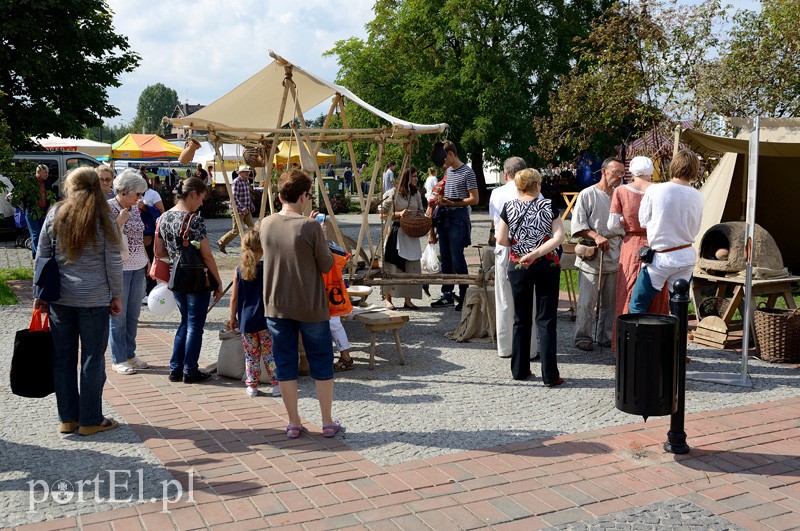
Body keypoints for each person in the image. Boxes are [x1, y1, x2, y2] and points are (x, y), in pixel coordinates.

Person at [34, 167, 123, 436]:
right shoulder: (104, 215)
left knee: (63, 359)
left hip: (60, 297)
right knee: (92, 359)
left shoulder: (56, 212)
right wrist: (116, 294)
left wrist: (39, 295)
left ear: (69, 186)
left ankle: (68, 418)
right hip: (94, 299)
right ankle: (91, 419)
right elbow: (113, 261)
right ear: (97, 186)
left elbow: (42, 256)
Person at [260, 169, 342, 439]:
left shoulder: (267, 223)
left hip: (277, 303)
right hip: (310, 304)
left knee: (285, 363)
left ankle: (293, 421)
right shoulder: (310, 227)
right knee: (321, 362)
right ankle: (327, 421)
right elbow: (326, 264)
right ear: (304, 195)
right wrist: (322, 235)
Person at [496, 169, 565, 385]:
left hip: (518, 265)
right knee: (546, 319)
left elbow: (500, 239)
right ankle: (550, 375)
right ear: (536, 184)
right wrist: (535, 253)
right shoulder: (547, 205)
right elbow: (559, 237)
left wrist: (519, 249)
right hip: (546, 263)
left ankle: (519, 370)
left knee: (521, 319)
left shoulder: (509, 206)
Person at [156, 177, 223, 383]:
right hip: (197, 278)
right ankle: (190, 370)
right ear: (193, 193)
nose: (201, 204)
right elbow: (207, 255)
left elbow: (158, 251)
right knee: (195, 324)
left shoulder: (164, 217)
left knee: (185, 321)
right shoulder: (195, 220)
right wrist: (218, 282)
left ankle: (175, 368)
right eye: (201, 198)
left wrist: (177, 257)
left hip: (177, 276)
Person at [629, 149, 704, 313]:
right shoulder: (698, 195)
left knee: (638, 304)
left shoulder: (656, 190)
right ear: (694, 170)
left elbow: (643, 221)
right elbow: (697, 227)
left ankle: (639, 339)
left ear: (673, 166)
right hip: (686, 256)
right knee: (678, 307)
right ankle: (676, 339)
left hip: (662, 258)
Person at [607, 156, 669, 351]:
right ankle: (655, 346)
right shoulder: (661, 190)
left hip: (632, 245)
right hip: (656, 245)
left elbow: (612, 224)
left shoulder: (621, 191)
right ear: (650, 171)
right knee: (656, 292)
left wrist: (626, 225)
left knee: (628, 292)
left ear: (632, 171)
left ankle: (626, 348)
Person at [571, 157, 625, 351]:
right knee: (587, 301)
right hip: (593, 254)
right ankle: (582, 336)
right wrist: (596, 236)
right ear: (603, 171)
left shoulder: (620, 195)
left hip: (615, 252)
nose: (618, 177)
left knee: (611, 302)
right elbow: (578, 226)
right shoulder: (588, 194)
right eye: (615, 172)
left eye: (621, 173)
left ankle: (606, 336)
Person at [488, 157, 537, 360]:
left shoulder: (497, 193)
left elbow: (494, 220)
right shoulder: (534, 192)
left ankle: (505, 346)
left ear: (506, 174)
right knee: (528, 300)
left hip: (504, 247)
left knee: (504, 298)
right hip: (527, 248)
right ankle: (530, 347)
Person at [107, 169, 151, 375]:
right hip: (119, 268)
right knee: (118, 316)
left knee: (133, 314)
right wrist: (119, 222)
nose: (139, 198)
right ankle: (118, 358)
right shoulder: (109, 208)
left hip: (138, 265)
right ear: (124, 191)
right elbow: (104, 238)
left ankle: (130, 354)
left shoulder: (133, 208)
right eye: (137, 194)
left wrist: (146, 259)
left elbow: (138, 236)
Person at [229, 225, 280, 398]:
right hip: (265, 319)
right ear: (262, 249)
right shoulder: (267, 268)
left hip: (246, 321)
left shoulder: (238, 270)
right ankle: (276, 384)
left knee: (251, 355)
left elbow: (234, 298)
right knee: (269, 354)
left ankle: (252, 386)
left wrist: (232, 318)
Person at [429, 140, 479, 311]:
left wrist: (454, 203)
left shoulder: (468, 172)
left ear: (450, 154)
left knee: (457, 256)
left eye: (443, 158)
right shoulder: (449, 171)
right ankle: (447, 293)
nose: (442, 163)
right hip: (445, 215)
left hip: (458, 216)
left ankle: (464, 294)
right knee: (446, 257)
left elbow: (475, 199)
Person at [378, 166, 425, 309]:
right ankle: (388, 299)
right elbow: (381, 213)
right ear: (407, 178)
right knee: (392, 267)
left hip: (412, 233)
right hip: (397, 232)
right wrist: (399, 214)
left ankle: (408, 300)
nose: (416, 179)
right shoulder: (393, 193)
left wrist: (420, 218)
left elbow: (421, 211)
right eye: (414, 176)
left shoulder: (416, 194)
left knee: (412, 267)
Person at [217, 165, 256, 254]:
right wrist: (242, 207)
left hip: (246, 210)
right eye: (246, 172)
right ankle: (221, 242)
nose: (248, 173)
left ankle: (250, 246)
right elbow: (233, 197)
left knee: (252, 228)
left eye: (248, 172)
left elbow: (247, 195)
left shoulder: (246, 182)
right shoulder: (236, 182)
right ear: (240, 173)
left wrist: (251, 204)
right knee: (236, 231)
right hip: (238, 210)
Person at [139, 178, 165, 297]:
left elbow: (161, 212)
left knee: (149, 259)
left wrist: (145, 207)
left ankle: (151, 290)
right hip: (136, 231)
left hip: (147, 232)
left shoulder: (152, 194)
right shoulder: (132, 193)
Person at [22, 164, 54, 259]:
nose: (47, 174)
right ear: (38, 172)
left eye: (48, 172)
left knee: (42, 234)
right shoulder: (30, 182)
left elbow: (52, 196)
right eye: (45, 172)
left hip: (43, 211)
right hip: (32, 211)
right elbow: (24, 197)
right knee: (36, 233)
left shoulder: (47, 183)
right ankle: (38, 257)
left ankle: (35, 255)